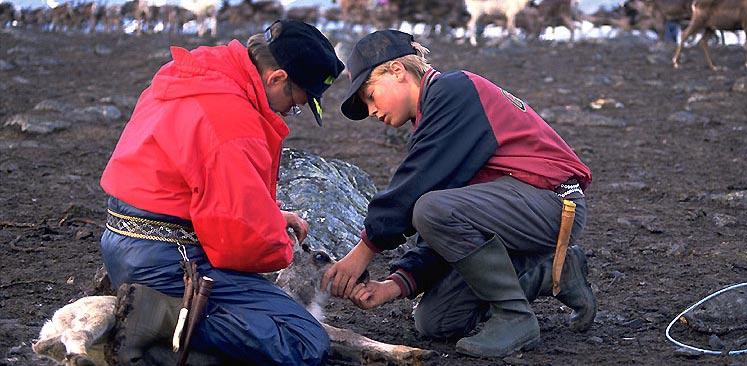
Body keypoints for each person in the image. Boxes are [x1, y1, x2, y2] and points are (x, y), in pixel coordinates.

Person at [322, 30, 597, 358]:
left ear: (396, 70)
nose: (371, 111)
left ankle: (515, 318)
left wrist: (364, 251)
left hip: (552, 199)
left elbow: (417, 193)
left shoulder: (454, 91)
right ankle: (553, 271)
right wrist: (394, 285)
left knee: (429, 208)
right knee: (435, 320)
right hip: (514, 208)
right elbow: (445, 218)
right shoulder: (433, 116)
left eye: (369, 95)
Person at [99, 20, 344, 365]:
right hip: (168, 258)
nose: (290, 112)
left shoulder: (201, 74)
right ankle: (160, 317)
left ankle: (159, 338)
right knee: (303, 338)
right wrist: (283, 245)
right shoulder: (232, 120)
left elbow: (194, 186)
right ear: (276, 78)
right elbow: (240, 243)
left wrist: (272, 215)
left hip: (124, 242)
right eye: (297, 102)